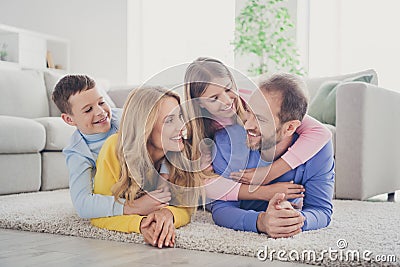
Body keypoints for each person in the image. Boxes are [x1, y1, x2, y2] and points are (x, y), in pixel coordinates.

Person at [183, 57, 331, 203]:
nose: (227, 101)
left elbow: (320, 132)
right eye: (214, 98)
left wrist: (269, 174)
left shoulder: (252, 98)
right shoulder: (198, 133)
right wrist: (263, 193)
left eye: (228, 89)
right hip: (231, 192)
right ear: (198, 103)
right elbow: (207, 185)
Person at [209, 73, 335, 238]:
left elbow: (321, 210)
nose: (247, 125)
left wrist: (294, 219)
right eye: (248, 111)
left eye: (261, 120)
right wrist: (261, 221)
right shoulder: (226, 142)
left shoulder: (318, 147)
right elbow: (221, 208)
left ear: (290, 128)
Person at [90, 87, 204, 248]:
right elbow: (97, 214)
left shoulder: (180, 152)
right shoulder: (114, 149)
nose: (182, 126)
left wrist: (167, 214)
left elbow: (186, 208)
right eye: (169, 120)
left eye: (180, 116)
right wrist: (142, 224)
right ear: (146, 127)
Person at [53, 74, 132, 219]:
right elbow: (83, 205)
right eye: (88, 110)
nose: (100, 112)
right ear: (69, 119)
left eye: (101, 103)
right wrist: (133, 207)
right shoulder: (78, 152)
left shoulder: (125, 118)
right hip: (119, 191)